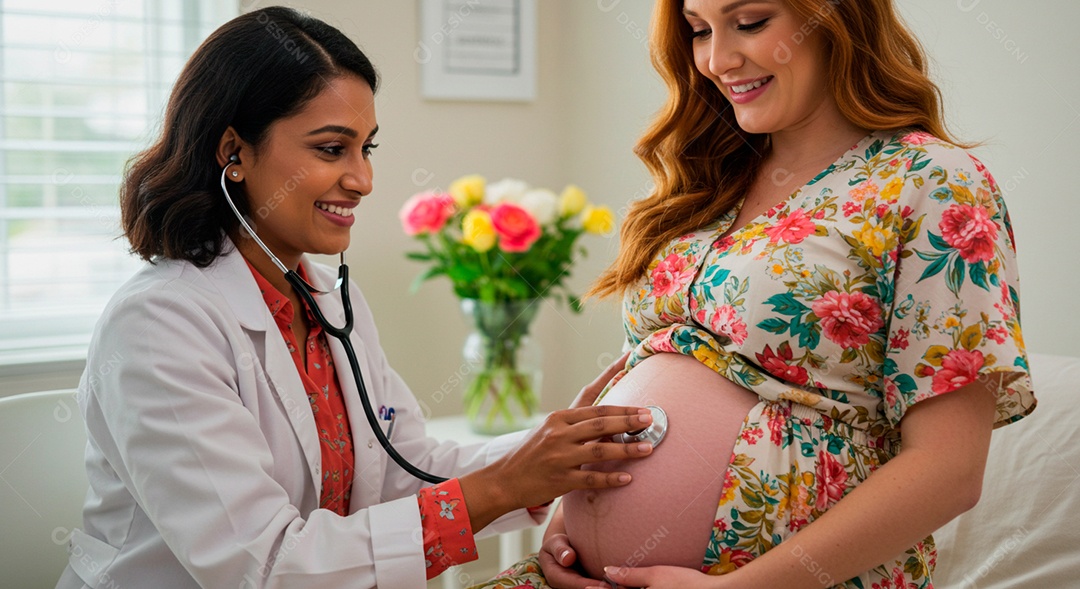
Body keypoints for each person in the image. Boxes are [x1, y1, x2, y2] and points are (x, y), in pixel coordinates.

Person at [55, 8, 657, 589]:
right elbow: (264, 567)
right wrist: (503, 485)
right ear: (233, 152)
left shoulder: (328, 298)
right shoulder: (159, 323)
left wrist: (551, 451)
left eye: (365, 149)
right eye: (330, 148)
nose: (363, 180)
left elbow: (405, 467)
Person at [473, 0, 1035, 588]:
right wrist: (567, 527)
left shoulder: (931, 181)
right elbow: (636, 382)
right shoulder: (704, 181)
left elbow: (949, 470)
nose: (717, 60)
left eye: (750, 23)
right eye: (698, 31)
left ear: (835, 17)